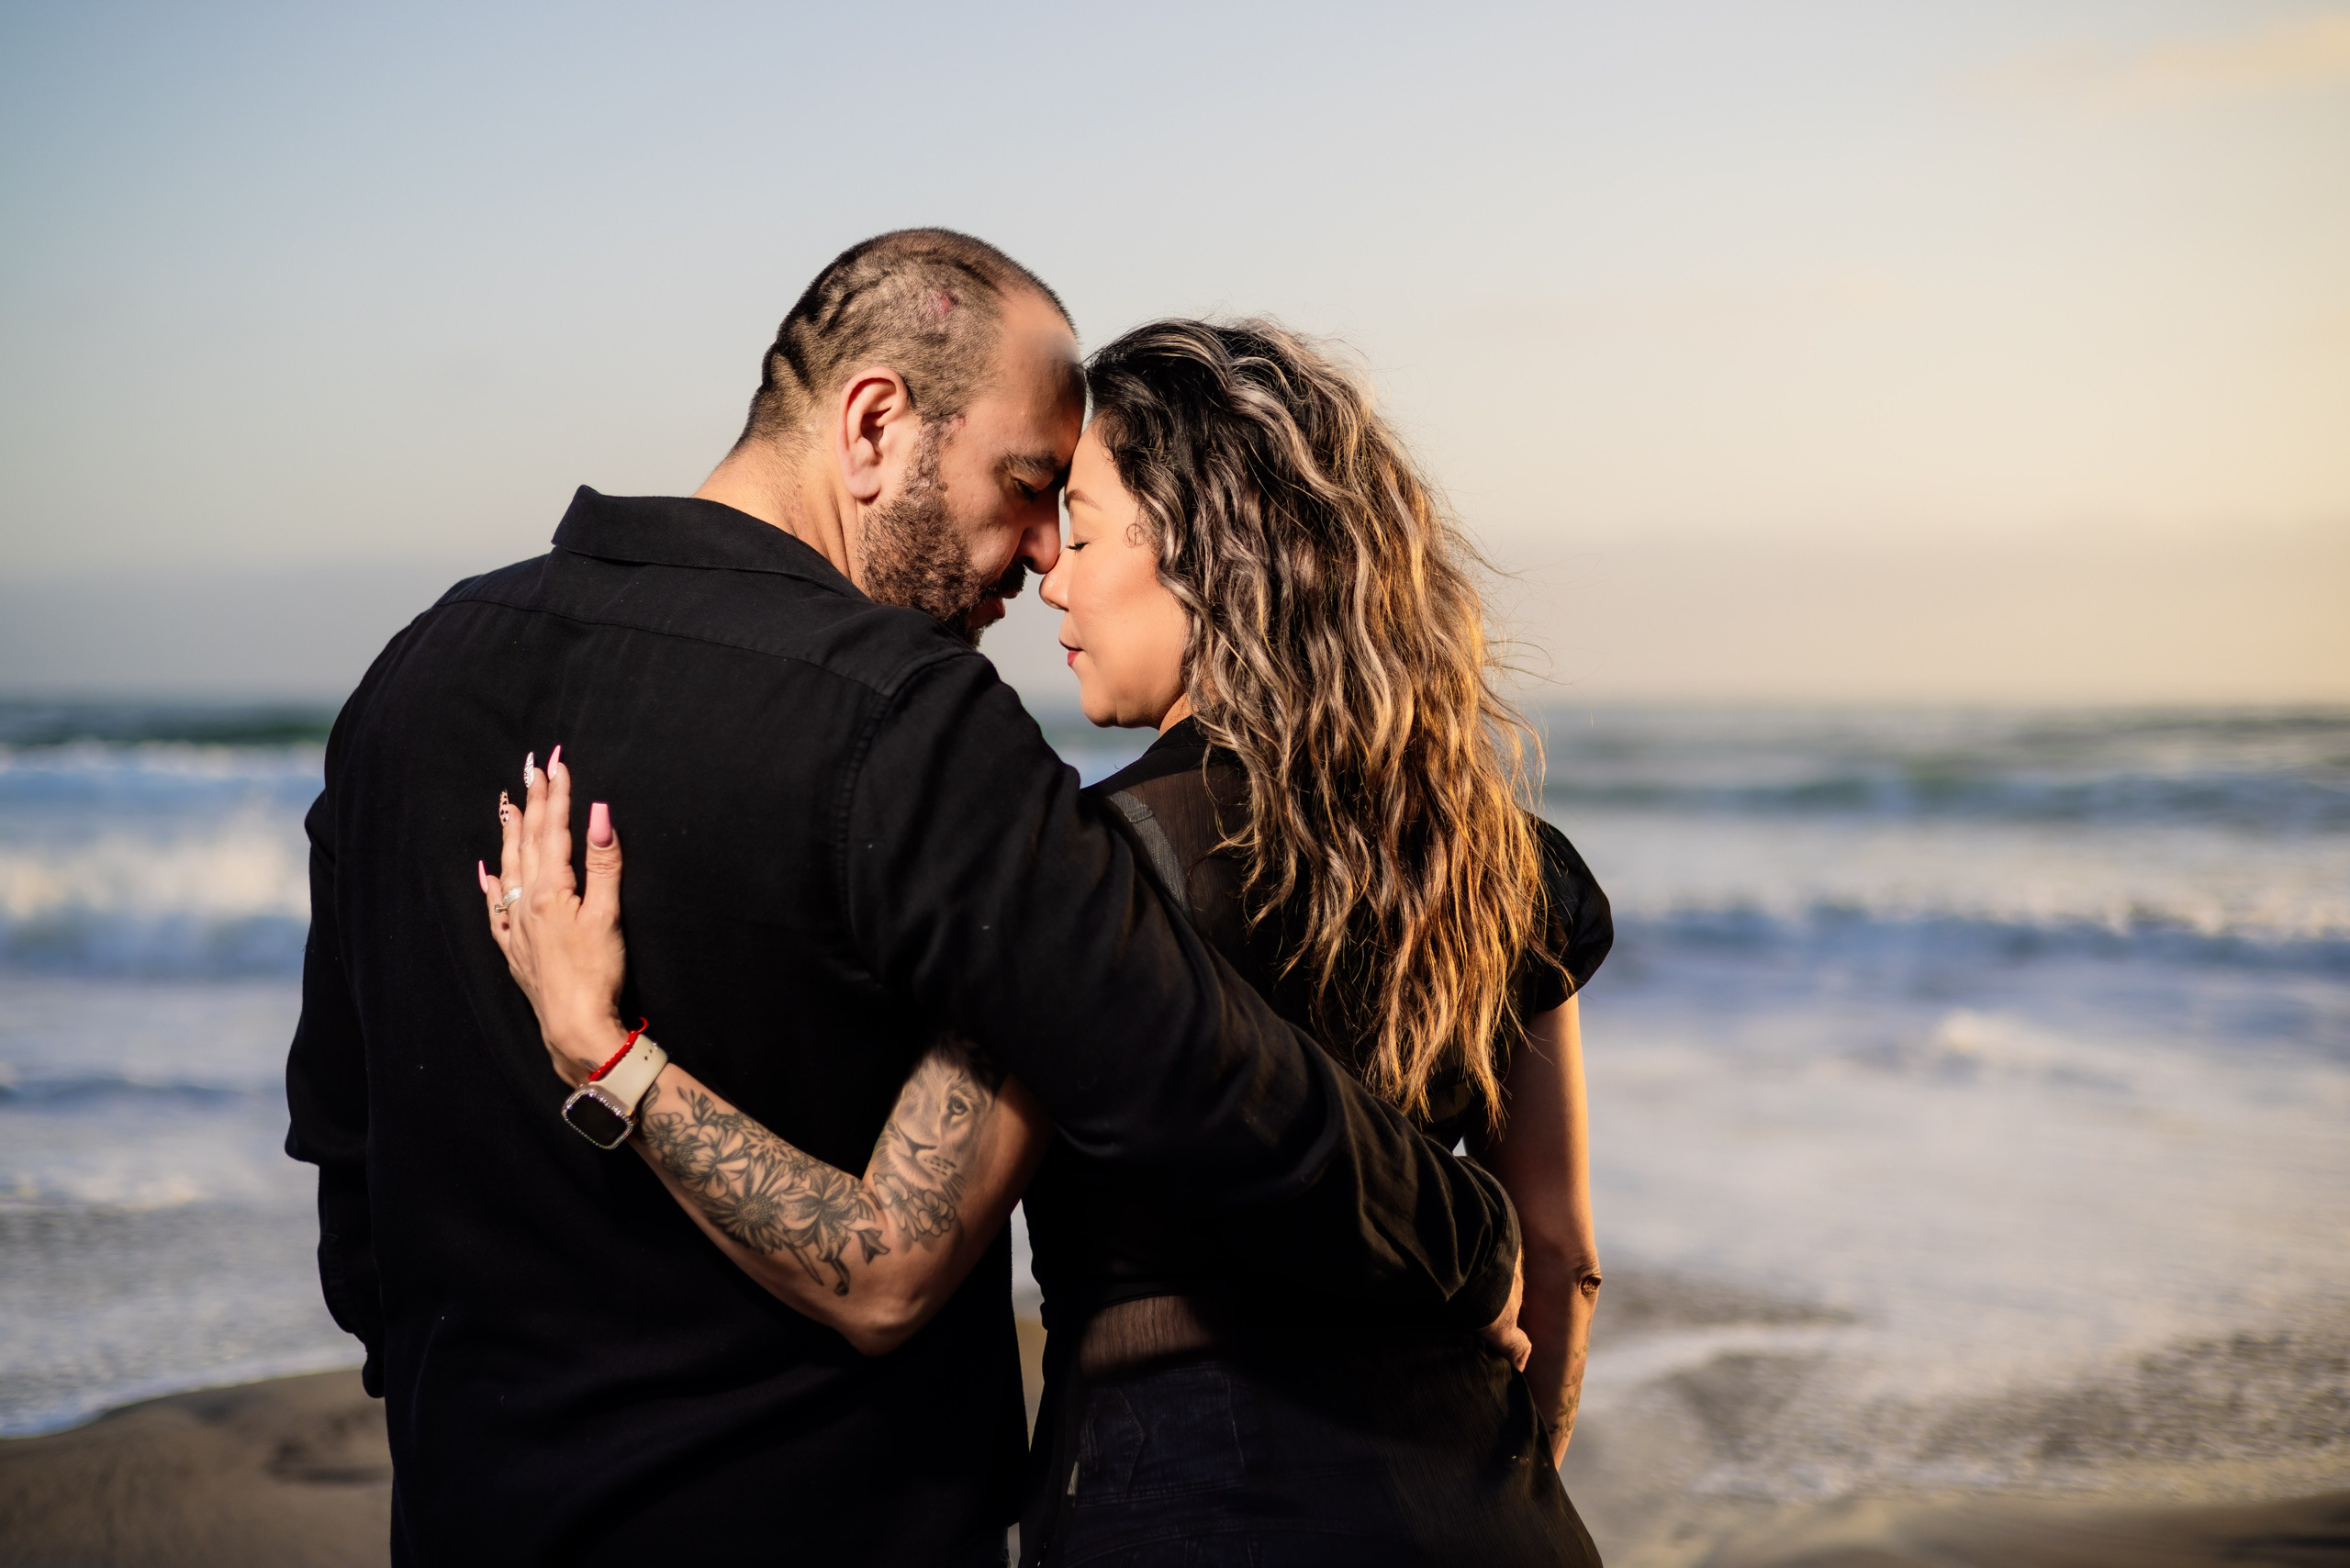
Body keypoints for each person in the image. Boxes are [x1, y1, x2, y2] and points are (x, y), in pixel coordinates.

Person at [285, 230, 1527, 1568]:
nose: (1045, 546)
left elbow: (351, 1180)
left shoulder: (408, 687)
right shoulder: (910, 722)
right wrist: (1467, 1243)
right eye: (1027, 482)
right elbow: (1195, 1078)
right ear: (875, 423)